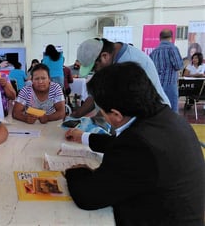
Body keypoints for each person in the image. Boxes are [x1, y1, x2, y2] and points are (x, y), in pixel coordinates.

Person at [64, 62, 204, 225]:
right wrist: (84, 137)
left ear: (116, 114)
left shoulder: (138, 145)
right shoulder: (166, 118)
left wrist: (75, 171)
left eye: (102, 110)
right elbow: (120, 143)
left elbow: (88, 197)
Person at [70, 38, 170, 118]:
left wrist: (96, 121)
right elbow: (96, 96)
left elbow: (118, 108)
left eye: (94, 68)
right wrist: (77, 115)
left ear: (104, 56)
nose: (96, 72)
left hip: (153, 117)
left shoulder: (127, 66)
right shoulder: (114, 54)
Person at [149, 29, 184, 113]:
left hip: (157, 85)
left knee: (158, 110)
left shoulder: (154, 52)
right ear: (171, 37)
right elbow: (178, 66)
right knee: (172, 111)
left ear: (160, 38)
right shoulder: (173, 48)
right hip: (170, 84)